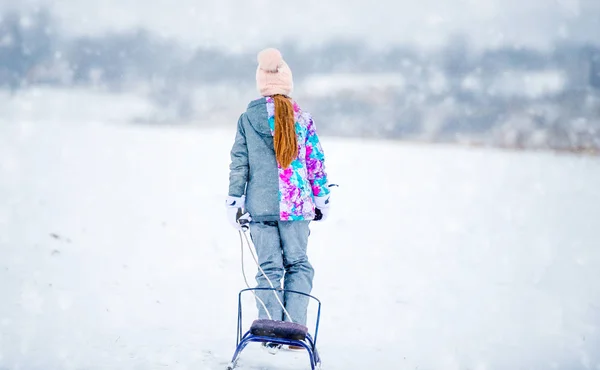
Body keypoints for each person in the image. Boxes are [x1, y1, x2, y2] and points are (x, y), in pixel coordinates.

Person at [225, 48, 331, 328]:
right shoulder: (303, 119)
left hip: (260, 206)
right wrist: (321, 198)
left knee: (268, 268)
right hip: (296, 207)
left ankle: (270, 328)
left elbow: (240, 163)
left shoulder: (247, 119)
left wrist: (234, 200)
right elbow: (315, 163)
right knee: (297, 265)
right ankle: (295, 330)